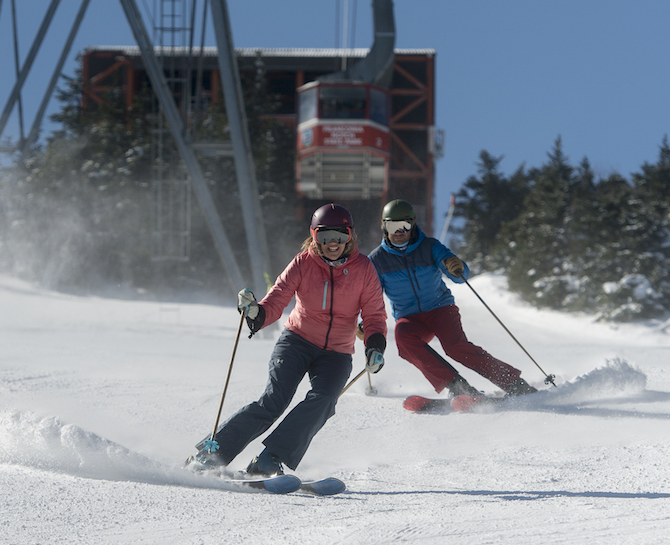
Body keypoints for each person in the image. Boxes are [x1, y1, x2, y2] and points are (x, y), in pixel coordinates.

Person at [187, 203, 388, 476]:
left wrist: (375, 345)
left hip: (337, 353)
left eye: (340, 236)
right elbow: (277, 299)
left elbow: (375, 314)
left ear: (350, 235)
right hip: (297, 342)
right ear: (314, 236)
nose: (333, 244)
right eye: (324, 237)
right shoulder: (303, 262)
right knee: (274, 401)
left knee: (325, 400)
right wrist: (256, 313)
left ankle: (270, 458)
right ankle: (213, 452)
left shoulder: (364, 269)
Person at [367, 199, 537, 398]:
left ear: (413, 224)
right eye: (392, 226)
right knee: (403, 339)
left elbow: (458, 273)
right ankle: (458, 387)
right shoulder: (376, 260)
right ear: (384, 226)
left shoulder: (429, 246)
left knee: (455, 347)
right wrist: (366, 325)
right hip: (410, 317)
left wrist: (455, 266)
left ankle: (514, 384)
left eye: (404, 225)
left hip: (440, 309)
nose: (399, 231)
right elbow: (371, 297)